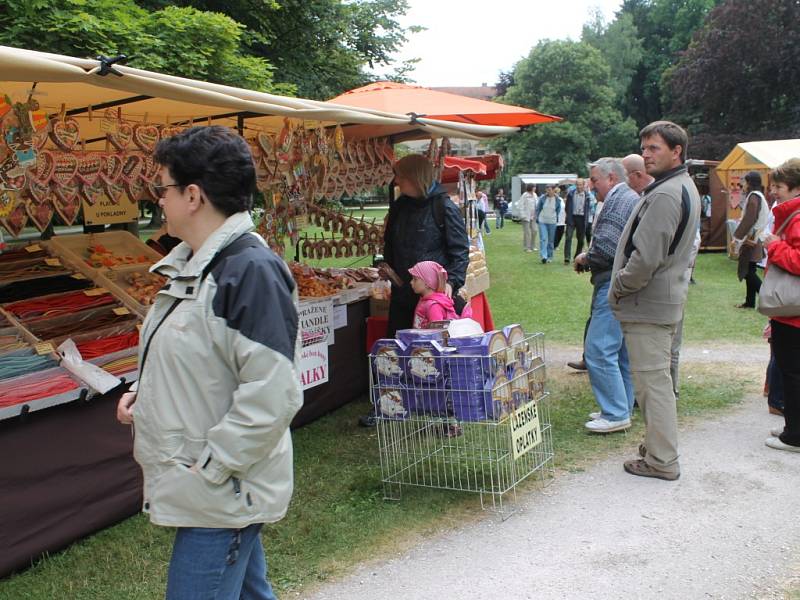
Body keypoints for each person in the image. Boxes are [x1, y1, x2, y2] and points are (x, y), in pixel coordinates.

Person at [116, 126, 302, 599]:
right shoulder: (195, 265)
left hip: (220, 488)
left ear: (193, 195)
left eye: (163, 188)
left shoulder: (249, 271)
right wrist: (148, 394)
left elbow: (273, 391)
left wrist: (214, 466)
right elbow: (202, 358)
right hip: (215, 485)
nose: (158, 200)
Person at [610, 120, 700, 481]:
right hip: (662, 300)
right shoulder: (678, 186)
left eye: (655, 148)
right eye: (644, 148)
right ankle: (658, 450)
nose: (647, 155)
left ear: (676, 151)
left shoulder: (665, 193)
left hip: (648, 303)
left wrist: (619, 286)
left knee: (652, 385)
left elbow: (646, 259)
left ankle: (662, 460)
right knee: (656, 382)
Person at [576, 158, 640, 433]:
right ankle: (620, 406)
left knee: (598, 349)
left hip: (612, 284)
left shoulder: (617, 200)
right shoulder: (628, 197)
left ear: (611, 178)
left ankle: (615, 413)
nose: (591, 186)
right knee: (620, 351)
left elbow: (607, 248)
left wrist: (585, 257)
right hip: (624, 284)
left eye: (594, 180)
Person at [383, 154, 469, 337]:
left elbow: (460, 252)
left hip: (432, 301)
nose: (396, 181)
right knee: (400, 353)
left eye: (400, 176)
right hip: (402, 298)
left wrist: (452, 281)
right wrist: (389, 272)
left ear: (414, 177)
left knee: (431, 355)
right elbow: (390, 244)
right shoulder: (399, 207)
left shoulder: (443, 207)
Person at [762, 158, 800, 453]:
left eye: (779, 186)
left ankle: (795, 435)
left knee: (792, 372)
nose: (774, 192)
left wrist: (774, 245)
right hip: (790, 313)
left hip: (793, 314)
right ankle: (792, 424)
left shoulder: (796, 217)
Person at [733, 171, 769, 308]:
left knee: (748, 271)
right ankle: (750, 302)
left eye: (745, 181)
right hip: (755, 237)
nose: (743, 184)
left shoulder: (754, 197)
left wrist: (738, 236)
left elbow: (750, 219)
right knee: (750, 270)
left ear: (750, 183)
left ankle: (765, 297)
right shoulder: (758, 196)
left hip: (752, 238)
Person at [408, 260, 459, 328]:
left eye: (415, 279)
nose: (411, 282)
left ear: (427, 283)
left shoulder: (433, 306)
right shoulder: (424, 300)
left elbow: (437, 333)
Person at [564, 178, 592, 264]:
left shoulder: (587, 196)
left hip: (582, 218)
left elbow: (589, 209)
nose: (579, 186)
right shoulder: (571, 194)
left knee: (580, 240)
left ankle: (577, 256)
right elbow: (567, 206)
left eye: (580, 185)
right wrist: (568, 216)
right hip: (572, 217)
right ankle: (567, 258)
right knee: (568, 237)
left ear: (584, 185)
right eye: (577, 184)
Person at [536, 184, 561, 263]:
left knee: (550, 241)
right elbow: (538, 208)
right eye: (547, 190)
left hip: (552, 222)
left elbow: (558, 210)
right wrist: (537, 218)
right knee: (543, 239)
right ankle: (544, 256)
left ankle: (550, 256)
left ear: (554, 190)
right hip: (542, 221)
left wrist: (554, 217)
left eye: (549, 190)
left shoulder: (558, 200)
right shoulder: (542, 198)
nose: (548, 191)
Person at [519, 184, 537, 252]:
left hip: (533, 216)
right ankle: (527, 247)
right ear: (531, 188)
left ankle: (533, 246)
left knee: (534, 231)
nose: (535, 188)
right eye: (534, 187)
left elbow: (536, 204)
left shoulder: (535, 195)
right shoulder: (525, 195)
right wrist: (523, 215)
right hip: (526, 216)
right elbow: (520, 205)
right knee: (527, 232)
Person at [552, 186, 567, 253]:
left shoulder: (561, 199)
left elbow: (564, 207)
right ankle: (553, 245)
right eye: (556, 192)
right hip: (555, 219)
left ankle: (556, 245)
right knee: (555, 233)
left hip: (562, 219)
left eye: (558, 192)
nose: (557, 194)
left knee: (561, 232)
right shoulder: (552, 199)